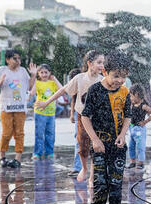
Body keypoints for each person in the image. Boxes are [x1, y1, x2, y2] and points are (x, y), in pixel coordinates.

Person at [36, 50, 104, 182]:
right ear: (90, 63)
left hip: (97, 119)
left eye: (103, 63)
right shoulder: (80, 78)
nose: (102, 65)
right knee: (82, 145)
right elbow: (63, 90)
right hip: (82, 117)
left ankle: (91, 176)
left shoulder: (102, 81)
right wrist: (46, 102)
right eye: (99, 62)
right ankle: (83, 168)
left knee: (95, 146)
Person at [81, 50, 131, 204]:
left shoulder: (125, 92)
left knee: (116, 179)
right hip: (100, 144)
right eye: (116, 76)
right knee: (100, 180)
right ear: (105, 72)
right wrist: (94, 140)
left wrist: (122, 135)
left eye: (123, 76)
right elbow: (85, 117)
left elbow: (127, 116)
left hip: (118, 145)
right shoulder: (95, 90)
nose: (119, 80)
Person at [0, 49, 37, 168]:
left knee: (19, 133)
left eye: (19, 58)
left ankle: (17, 159)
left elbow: (29, 87)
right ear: (8, 59)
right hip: (6, 107)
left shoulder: (23, 71)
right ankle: (2, 157)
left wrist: (34, 75)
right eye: (15, 58)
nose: (18, 61)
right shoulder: (1, 70)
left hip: (20, 108)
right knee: (6, 133)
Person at [29, 64, 62, 160]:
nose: (44, 74)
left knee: (50, 134)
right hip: (40, 112)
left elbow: (62, 90)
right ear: (39, 73)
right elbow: (32, 93)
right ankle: (37, 153)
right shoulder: (38, 83)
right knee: (39, 134)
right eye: (42, 72)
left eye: (46, 72)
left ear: (50, 73)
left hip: (51, 113)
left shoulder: (52, 83)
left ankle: (50, 152)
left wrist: (55, 79)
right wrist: (34, 78)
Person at [127, 83, 151, 170]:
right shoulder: (131, 105)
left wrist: (145, 122)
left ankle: (140, 163)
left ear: (138, 95)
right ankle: (133, 162)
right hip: (131, 128)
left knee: (140, 146)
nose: (130, 98)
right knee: (131, 146)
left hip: (139, 129)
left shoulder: (143, 106)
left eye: (132, 96)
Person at [67, 68, 82, 177]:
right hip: (79, 114)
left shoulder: (87, 83)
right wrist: (72, 114)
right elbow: (73, 100)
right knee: (79, 140)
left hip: (89, 115)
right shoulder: (75, 90)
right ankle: (77, 167)